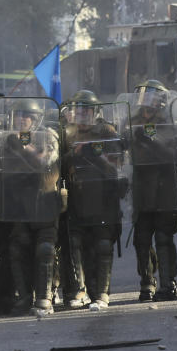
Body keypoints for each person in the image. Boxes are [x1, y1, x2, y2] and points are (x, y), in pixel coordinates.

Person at [61, 90, 128, 310]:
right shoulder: (67, 134)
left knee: (102, 244)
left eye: (86, 111)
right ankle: (83, 290)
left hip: (104, 199)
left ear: (94, 112)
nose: (82, 116)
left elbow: (117, 166)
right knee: (78, 245)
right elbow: (58, 165)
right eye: (78, 111)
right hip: (77, 198)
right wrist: (74, 154)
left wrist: (94, 155)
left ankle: (102, 293)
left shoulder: (106, 131)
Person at [0, 98, 62, 316]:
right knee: (18, 250)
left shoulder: (48, 137)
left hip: (44, 202)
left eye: (26, 116)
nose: (21, 120)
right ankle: (25, 296)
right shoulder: (6, 140)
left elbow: (44, 162)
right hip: (18, 205)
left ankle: (45, 296)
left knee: (45, 250)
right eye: (18, 116)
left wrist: (25, 146)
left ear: (35, 119)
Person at [128, 80, 177, 302]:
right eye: (144, 97)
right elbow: (119, 147)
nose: (147, 104)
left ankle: (168, 283)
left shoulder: (169, 123)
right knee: (141, 239)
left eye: (152, 98)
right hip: (141, 188)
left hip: (164, 187)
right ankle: (147, 282)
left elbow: (172, 152)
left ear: (160, 102)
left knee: (163, 237)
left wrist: (150, 140)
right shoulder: (131, 122)